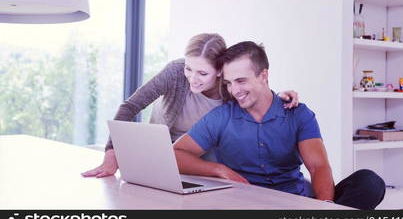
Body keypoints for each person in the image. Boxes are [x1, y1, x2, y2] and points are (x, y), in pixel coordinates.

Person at [173, 41, 386, 210]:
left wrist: (325, 207)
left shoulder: (298, 114)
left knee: (369, 182)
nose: (234, 90)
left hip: (295, 202)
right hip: (245, 204)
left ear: (263, 75)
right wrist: (219, 170)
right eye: (229, 83)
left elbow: (318, 166)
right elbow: (177, 153)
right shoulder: (221, 117)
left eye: (241, 81)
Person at [82, 33, 299, 178]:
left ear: (220, 71)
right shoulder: (175, 72)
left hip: (204, 154)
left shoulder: (230, 90)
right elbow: (130, 106)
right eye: (189, 69)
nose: (192, 79)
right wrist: (112, 152)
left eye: (202, 73)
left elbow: (253, 92)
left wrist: (278, 95)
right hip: (161, 147)